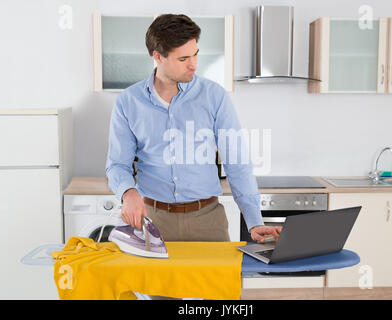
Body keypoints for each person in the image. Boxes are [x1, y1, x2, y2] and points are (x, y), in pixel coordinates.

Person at [105, 14, 282, 246]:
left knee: (215, 283)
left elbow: (237, 162)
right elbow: (118, 165)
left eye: (196, 54)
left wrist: (254, 221)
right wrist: (128, 193)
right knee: (151, 284)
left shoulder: (214, 96)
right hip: (152, 220)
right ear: (157, 56)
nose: (194, 64)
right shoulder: (128, 102)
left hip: (207, 221)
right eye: (183, 58)